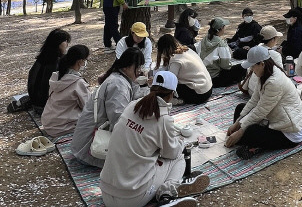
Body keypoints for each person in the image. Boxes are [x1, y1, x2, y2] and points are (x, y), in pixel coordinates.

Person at [99, 71, 210, 207]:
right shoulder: (163, 120)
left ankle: (168, 189)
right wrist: (180, 143)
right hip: (131, 199)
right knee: (178, 157)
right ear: (171, 95)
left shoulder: (132, 106)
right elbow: (171, 153)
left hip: (106, 192)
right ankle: (166, 196)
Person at [225, 46, 302, 159]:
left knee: (250, 131)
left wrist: (240, 130)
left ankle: (251, 144)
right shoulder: (265, 74)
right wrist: (238, 123)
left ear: (262, 64)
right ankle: (247, 141)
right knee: (240, 109)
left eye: (253, 66)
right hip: (276, 120)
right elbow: (254, 100)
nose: (252, 70)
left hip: (289, 131)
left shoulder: (274, 82)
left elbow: (260, 111)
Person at [71, 48, 144, 168]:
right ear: (126, 67)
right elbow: (119, 121)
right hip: (92, 148)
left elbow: (134, 98)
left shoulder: (120, 78)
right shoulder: (118, 85)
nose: (140, 71)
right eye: (137, 67)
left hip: (83, 144)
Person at [41, 45, 90, 137]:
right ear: (80, 62)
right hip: (63, 127)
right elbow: (88, 107)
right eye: (85, 60)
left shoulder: (56, 76)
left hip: (48, 123)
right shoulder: (78, 83)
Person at [156, 34, 212, 105]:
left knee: (162, 88)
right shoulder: (187, 50)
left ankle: (175, 101)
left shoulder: (175, 60)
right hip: (208, 89)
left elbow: (170, 81)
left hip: (200, 94)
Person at [28, 28, 71, 114]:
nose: (67, 44)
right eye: (65, 41)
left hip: (36, 103)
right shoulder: (58, 61)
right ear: (58, 43)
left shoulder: (41, 58)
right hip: (48, 106)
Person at [196, 17, 247, 88]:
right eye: (224, 27)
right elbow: (225, 66)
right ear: (220, 29)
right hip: (214, 78)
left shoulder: (204, 39)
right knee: (241, 68)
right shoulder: (221, 44)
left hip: (203, 74)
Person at [239, 25, 284, 95]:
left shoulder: (256, 48)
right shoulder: (275, 55)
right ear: (272, 40)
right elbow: (281, 74)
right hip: (262, 91)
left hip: (251, 88)